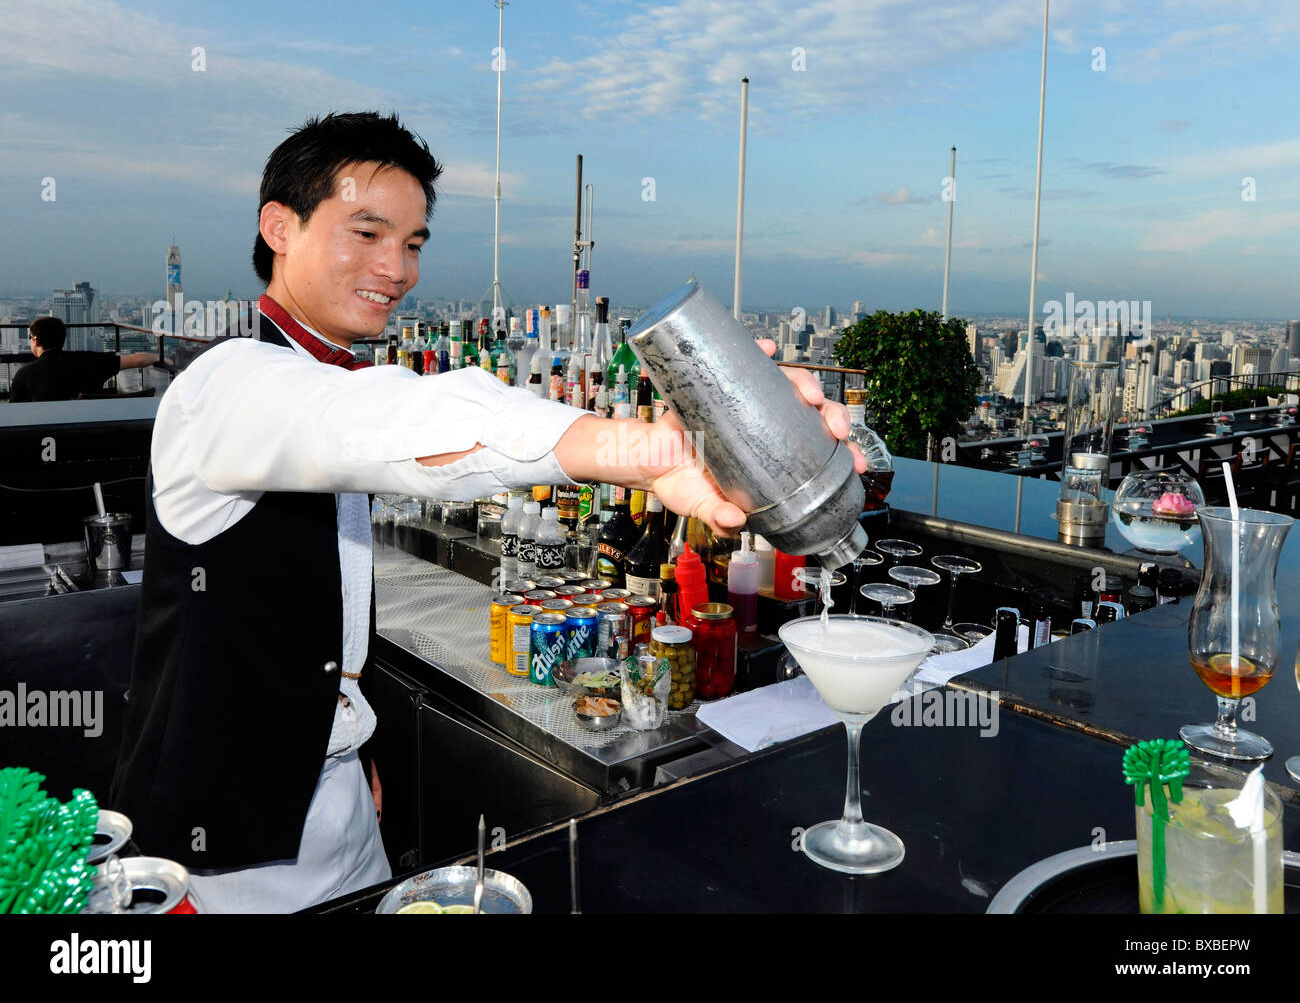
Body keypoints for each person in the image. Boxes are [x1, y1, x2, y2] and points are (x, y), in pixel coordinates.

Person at [109, 111, 863, 913]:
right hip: (226, 866)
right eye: (366, 233)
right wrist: (632, 450)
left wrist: (348, 743)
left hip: (343, 820)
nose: (396, 268)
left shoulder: (327, 378)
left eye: (413, 243)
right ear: (279, 227)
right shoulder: (222, 385)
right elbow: (397, 420)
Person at [8, 316, 167, 402]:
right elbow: (138, 361)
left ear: (35, 340)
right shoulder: (89, 360)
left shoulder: (24, 375)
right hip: (96, 434)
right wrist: (161, 358)